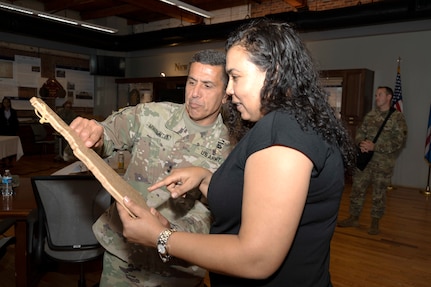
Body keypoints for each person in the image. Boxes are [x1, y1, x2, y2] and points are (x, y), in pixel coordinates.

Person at [115, 19, 356, 287]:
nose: (228, 90)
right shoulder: (294, 123)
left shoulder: (282, 131)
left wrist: (161, 237)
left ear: (273, 74)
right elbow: (262, 200)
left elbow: (256, 258)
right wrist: (206, 179)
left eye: (236, 77)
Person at [69, 49, 240, 286]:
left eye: (208, 86)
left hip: (178, 266)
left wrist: (170, 231)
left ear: (225, 95)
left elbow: (218, 214)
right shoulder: (152, 115)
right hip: (124, 255)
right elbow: (109, 134)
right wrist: (95, 134)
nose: (195, 94)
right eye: (192, 82)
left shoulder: (233, 149)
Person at [338, 86, 407, 235]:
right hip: (365, 161)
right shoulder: (370, 115)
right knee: (357, 189)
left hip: (383, 163)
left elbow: (399, 141)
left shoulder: (397, 118)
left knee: (378, 193)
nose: (376, 98)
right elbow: (360, 132)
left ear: (388, 97)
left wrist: (376, 146)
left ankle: (375, 222)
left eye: (380, 95)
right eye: (376, 95)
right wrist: (361, 143)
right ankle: (353, 217)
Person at [0, 97, 19, 167]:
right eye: (4, 102)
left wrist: (16, 130)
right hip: (3, 131)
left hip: (11, 131)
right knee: (3, 147)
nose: (6, 104)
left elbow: (16, 121)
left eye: (7, 102)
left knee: (10, 147)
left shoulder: (13, 111)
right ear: (3, 103)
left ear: (9, 103)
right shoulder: (0, 111)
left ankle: (10, 161)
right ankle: (4, 161)